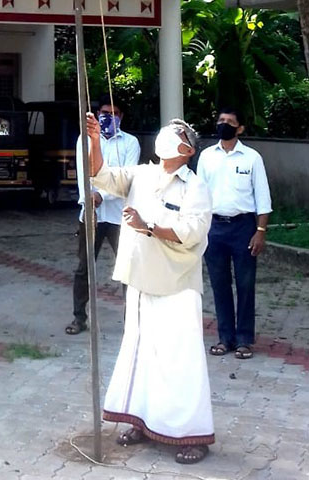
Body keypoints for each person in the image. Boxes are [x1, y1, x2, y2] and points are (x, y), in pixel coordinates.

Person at [87, 114, 214, 465]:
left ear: (187, 149)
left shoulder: (195, 187)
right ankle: (143, 422)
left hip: (176, 285)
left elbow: (192, 231)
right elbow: (102, 176)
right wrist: (96, 141)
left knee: (179, 360)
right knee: (141, 355)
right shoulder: (142, 174)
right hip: (141, 281)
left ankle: (192, 434)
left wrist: (149, 227)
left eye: (175, 134)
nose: (165, 136)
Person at [198, 107, 272, 360]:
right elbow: (199, 196)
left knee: (245, 284)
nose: (224, 124)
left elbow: (263, 198)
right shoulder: (206, 156)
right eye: (221, 120)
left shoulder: (252, 158)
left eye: (230, 121)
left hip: (243, 228)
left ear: (240, 128)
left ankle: (244, 340)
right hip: (214, 228)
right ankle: (225, 338)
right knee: (219, 285)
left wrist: (260, 231)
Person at [66, 95, 140, 335]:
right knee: (84, 268)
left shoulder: (130, 143)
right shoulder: (83, 140)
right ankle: (79, 318)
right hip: (92, 212)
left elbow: (125, 178)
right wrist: (90, 198)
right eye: (104, 113)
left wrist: (101, 195)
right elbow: (82, 175)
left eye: (114, 114)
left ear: (121, 117)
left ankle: (133, 321)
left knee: (128, 268)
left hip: (121, 215)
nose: (108, 118)